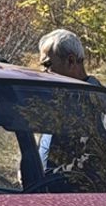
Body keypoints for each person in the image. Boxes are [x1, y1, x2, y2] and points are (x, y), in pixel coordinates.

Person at [36, 29, 102, 174]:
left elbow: (92, 160)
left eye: (47, 65)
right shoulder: (63, 97)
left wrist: (50, 177)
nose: (43, 72)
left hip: (68, 194)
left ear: (71, 61)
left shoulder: (94, 102)